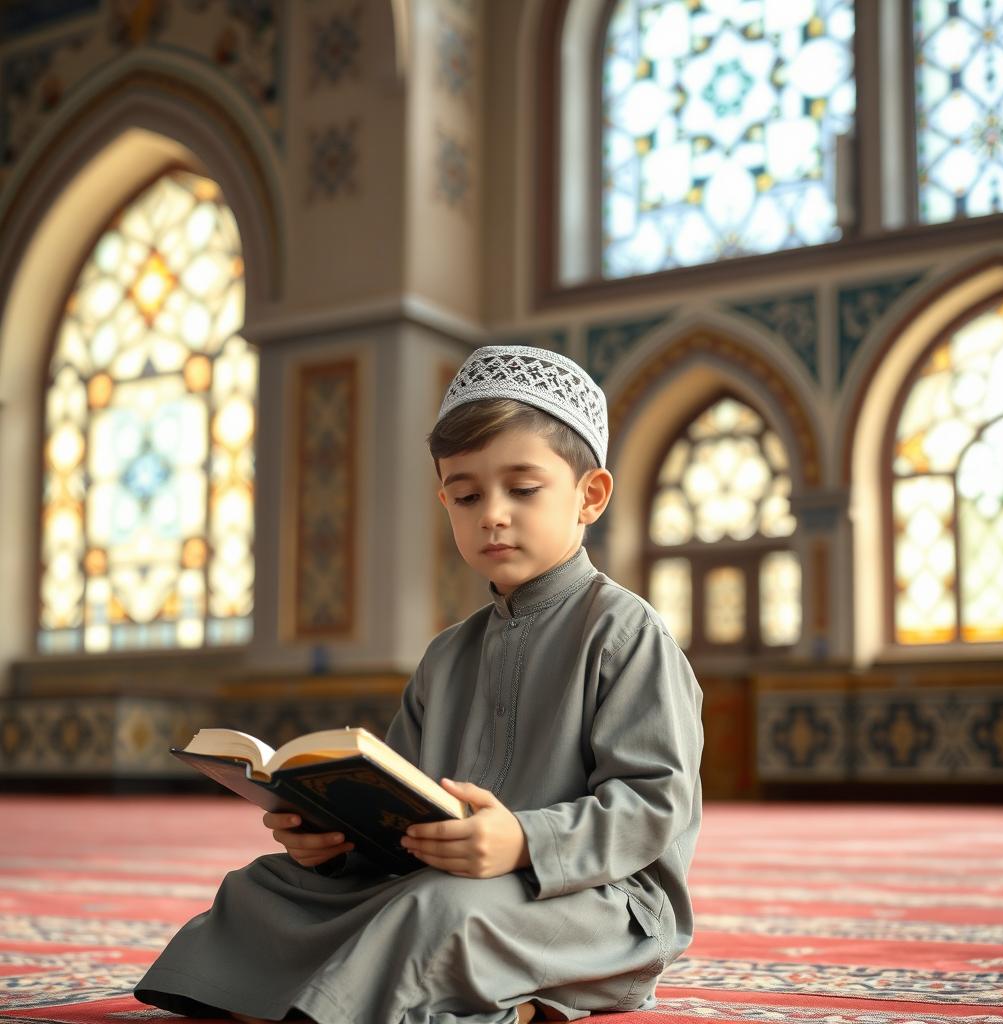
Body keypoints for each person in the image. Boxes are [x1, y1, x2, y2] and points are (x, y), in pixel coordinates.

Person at [135, 345, 704, 1024]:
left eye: (522, 489)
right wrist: (329, 843)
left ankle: (489, 995)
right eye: (467, 495)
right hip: (449, 880)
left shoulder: (626, 631)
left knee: (439, 912)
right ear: (446, 501)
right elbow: (398, 809)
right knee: (263, 887)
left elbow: (652, 806)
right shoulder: (447, 655)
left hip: (599, 902)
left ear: (590, 496)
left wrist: (522, 841)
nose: (492, 513)